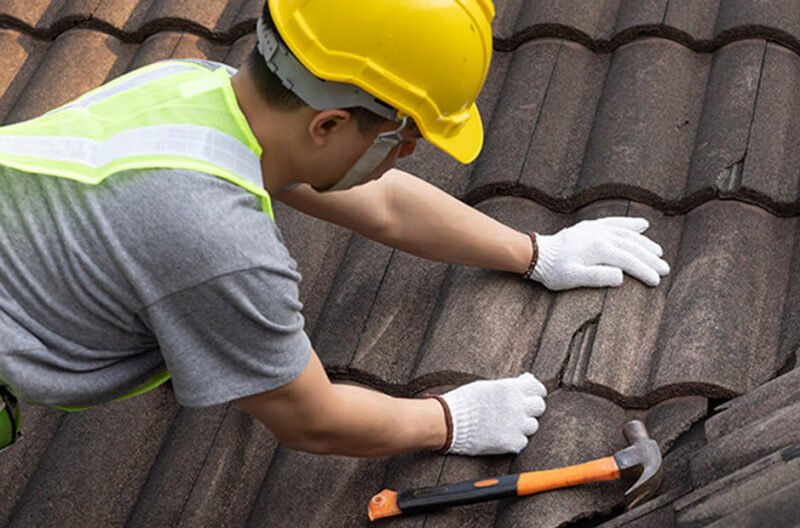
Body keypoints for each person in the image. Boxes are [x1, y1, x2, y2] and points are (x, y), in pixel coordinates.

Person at [0, 0, 669, 457]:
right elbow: (311, 418)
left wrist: (536, 252)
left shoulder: (192, 86)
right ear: (328, 124)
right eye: (402, 139)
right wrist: (449, 420)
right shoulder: (217, 242)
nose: (405, 156)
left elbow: (384, 205)